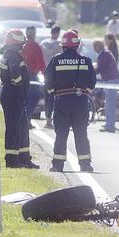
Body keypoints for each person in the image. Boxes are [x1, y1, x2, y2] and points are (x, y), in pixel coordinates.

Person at [44, 29, 97, 172]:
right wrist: (84, 92)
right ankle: (85, 164)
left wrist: (53, 93)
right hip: (80, 103)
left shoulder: (56, 60)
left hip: (62, 102)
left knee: (61, 134)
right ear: (77, 45)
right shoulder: (85, 61)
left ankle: (58, 165)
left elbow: (47, 79)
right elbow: (92, 82)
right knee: (81, 134)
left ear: (63, 45)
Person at [0, 29, 36, 168]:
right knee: (13, 128)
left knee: (22, 127)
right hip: (12, 95)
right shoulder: (12, 56)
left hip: (16, 95)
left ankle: (24, 158)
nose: (23, 46)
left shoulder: (14, 55)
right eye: (22, 43)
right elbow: (15, 75)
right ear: (17, 44)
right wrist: (20, 85)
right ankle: (12, 161)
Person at [96, 35, 119, 133]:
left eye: (97, 47)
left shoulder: (105, 54)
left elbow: (99, 68)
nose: (96, 49)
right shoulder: (104, 53)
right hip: (109, 81)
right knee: (108, 105)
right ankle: (108, 124)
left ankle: (110, 126)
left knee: (110, 105)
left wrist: (89, 73)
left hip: (112, 81)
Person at [22, 26, 47, 128]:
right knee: (35, 97)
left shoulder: (23, 45)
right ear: (34, 34)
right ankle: (26, 119)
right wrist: (45, 73)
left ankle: (25, 120)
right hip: (32, 75)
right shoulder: (35, 45)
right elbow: (40, 60)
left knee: (27, 98)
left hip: (22, 75)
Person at [40, 25, 63, 129]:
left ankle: (48, 120)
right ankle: (58, 119)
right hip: (57, 74)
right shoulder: (60, 45)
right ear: (58, 33)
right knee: (58, 97)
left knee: (47, 98)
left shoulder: (42, 44)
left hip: (46, 73)